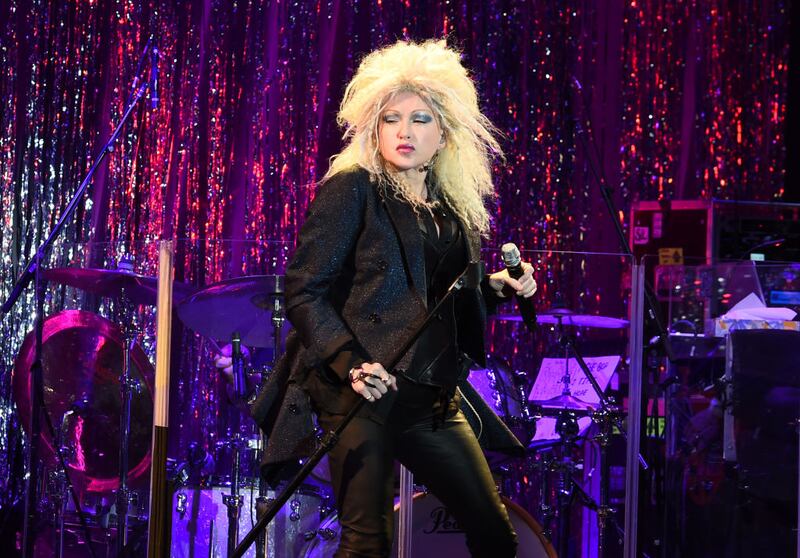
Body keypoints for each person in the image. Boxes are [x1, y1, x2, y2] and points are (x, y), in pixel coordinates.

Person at [227, 39, 537, 557]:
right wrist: (352, 364)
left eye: (420, 119)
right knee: (367, 540)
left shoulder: (451, 209)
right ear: (374, 127)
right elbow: (305, 289)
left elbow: (441, 301)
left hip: (429, 396)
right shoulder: (354, 187)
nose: (405, 132)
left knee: (494, 532)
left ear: (443, 136)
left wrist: (499, 288)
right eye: (391, 119)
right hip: (359, 389)